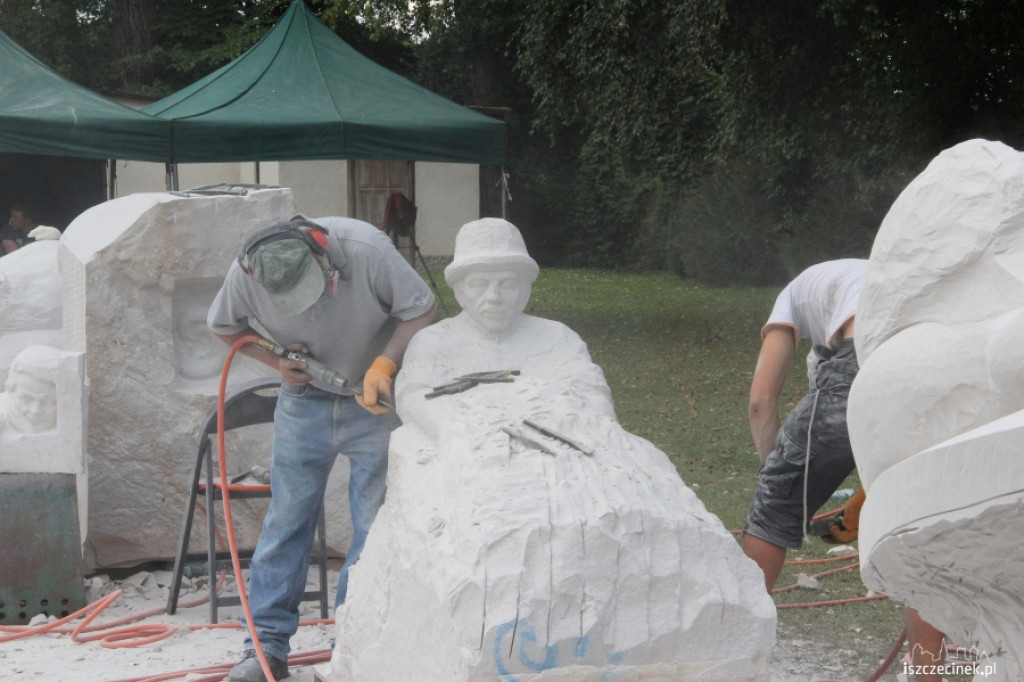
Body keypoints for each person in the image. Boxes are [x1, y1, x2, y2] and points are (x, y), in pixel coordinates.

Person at [208, 214, 436, 682]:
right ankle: (264, 648)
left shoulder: (367, 251)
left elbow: (420, 307)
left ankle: (352, 641)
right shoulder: (245, 273)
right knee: (287, 519)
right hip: (302, 402)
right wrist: (276, 361)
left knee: (373, 522)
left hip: (374, 398)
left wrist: (386, 363)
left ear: (321, 253)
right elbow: (225, 327)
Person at [741, 258, 868, 589]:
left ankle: (744, 627)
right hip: (932, 352)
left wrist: (775, 469)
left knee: (775, 506)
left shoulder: (789, 300)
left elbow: (761, 401)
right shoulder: (860, 279)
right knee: (919, 512)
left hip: (863, 352)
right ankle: (928, 643)